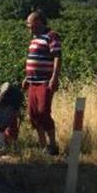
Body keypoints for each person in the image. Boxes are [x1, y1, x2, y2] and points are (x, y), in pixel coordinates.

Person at [21, 10, 62, 155]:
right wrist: (27, 77)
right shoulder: (35, 38)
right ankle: (43, 145)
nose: (28, 27)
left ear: (38, 22)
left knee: (43, 112)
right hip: (33, 82)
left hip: (45, 81)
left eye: (30, 24)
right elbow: (33, 58)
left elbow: (57, 57)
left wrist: (54, 78)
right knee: (33, 115)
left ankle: (52, 145)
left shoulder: (51, 36)